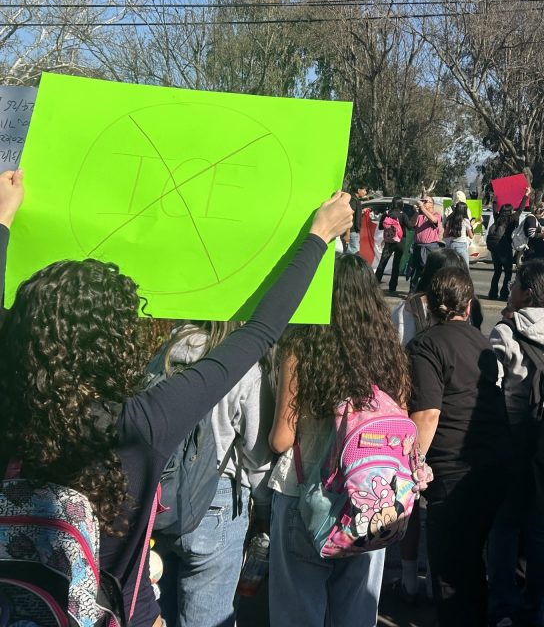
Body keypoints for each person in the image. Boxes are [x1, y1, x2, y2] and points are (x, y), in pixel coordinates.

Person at [0, 168, 352, 627]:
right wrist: (317, 238)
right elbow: (262, 332)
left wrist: (5, 223)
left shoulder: (13, 405)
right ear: (115, 342)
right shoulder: (145, 422)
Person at [267, 255, 412, 626]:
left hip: (303, 496)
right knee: (356, 614)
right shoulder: (389, 355)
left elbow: (281, 439)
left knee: (298, 614)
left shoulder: (300, 348)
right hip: (371, 501)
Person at [407, 268, 514, 627]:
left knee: (451, 571)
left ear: (428, 305)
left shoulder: (425, 345)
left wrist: (410, 470)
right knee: (470, 566)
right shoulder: (480, 340)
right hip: (493, 464)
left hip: (452, 472)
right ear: (468, 306)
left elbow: (427, 415)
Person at [150, 321, 275, 627]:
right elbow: (256, 455)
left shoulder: (167, 350)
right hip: (216, 500)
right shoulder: (244, 362)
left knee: (155, 610)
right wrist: (264, 509)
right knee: (207, 617)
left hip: (161, 493)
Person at [487, 260, 544, 627]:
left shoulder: (507, 331)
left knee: (504, 526)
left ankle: (503, 605)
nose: (510, 287)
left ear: (527, 291)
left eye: (514, 283)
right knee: (541, 527)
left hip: (514, 438)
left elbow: (490, 387)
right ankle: (535, 604)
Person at [375, 196, 410, 294]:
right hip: (400, 242)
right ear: (401, 204)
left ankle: (374, 284)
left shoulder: (387, 214)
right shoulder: (403, 214)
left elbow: (381, 227)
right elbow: (409, 226)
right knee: (396, 264)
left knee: (382, 262)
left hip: (389, 241)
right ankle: (392, 287)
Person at [409, 195, 442, 293]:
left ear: (432, 204)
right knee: (415, 271)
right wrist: (416, 212)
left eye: (426, 201)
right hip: (418, 246)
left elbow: (434, 220)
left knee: (430, 271)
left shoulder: (437, 214)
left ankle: (430, 292)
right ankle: (412, 292)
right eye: (422, 200)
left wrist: (422, 208)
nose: (423, 202)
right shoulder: (419, 215)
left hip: (430, 247)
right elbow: (411, 224)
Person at [443, 200, 475, 268]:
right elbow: (471, 236)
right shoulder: (465, 220)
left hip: (452, 245)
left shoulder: (450, 220)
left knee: (452, 267)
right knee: (465, 267)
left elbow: (445, 235)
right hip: (462, 245)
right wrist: (472, 225)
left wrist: (453, 234)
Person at [345, 185, 369, 255]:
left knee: (351, 253)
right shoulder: (353, 200)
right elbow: (348, 216)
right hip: (352, 231)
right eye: (364, 190)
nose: (365, 192)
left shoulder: (354, 199)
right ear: (358, 190)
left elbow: (353, 213)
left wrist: (361, 211)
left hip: (353, 231)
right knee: (353, 254)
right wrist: (347, 233)